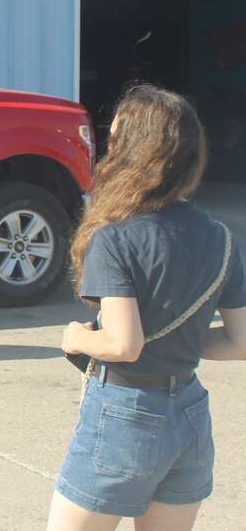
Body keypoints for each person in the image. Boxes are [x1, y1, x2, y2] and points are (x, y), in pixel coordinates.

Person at [49, 85, 246, 531]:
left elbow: (123, 343)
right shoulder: (221, 238)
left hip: (125, 411)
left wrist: (76, 337)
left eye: (115, 138)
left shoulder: (115, 238)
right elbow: (241, 342)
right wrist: (184, 343)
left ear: (131, 152)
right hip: (191, 415)